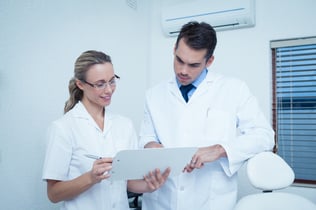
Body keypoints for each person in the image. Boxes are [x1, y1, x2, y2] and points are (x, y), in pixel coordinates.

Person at [139, 21, 275, 210]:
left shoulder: (234, 89)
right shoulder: (154, 94)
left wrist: (219, 149)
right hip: (162, 198)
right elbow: (146, 137)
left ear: (209, 61)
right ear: (174, 49)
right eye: (179, 60)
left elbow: (264, 136)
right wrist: (151, 146)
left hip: (210, 200)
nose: (183, 71)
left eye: (193, 64)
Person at [42, 50, 170, 210]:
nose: (109, 90)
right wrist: (90, 178)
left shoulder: (125, 125)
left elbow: (127, 182)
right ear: (80, 84)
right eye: (100, 84)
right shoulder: (63, 128)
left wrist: (149, 186)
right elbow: (53, 194)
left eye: (112, 81)